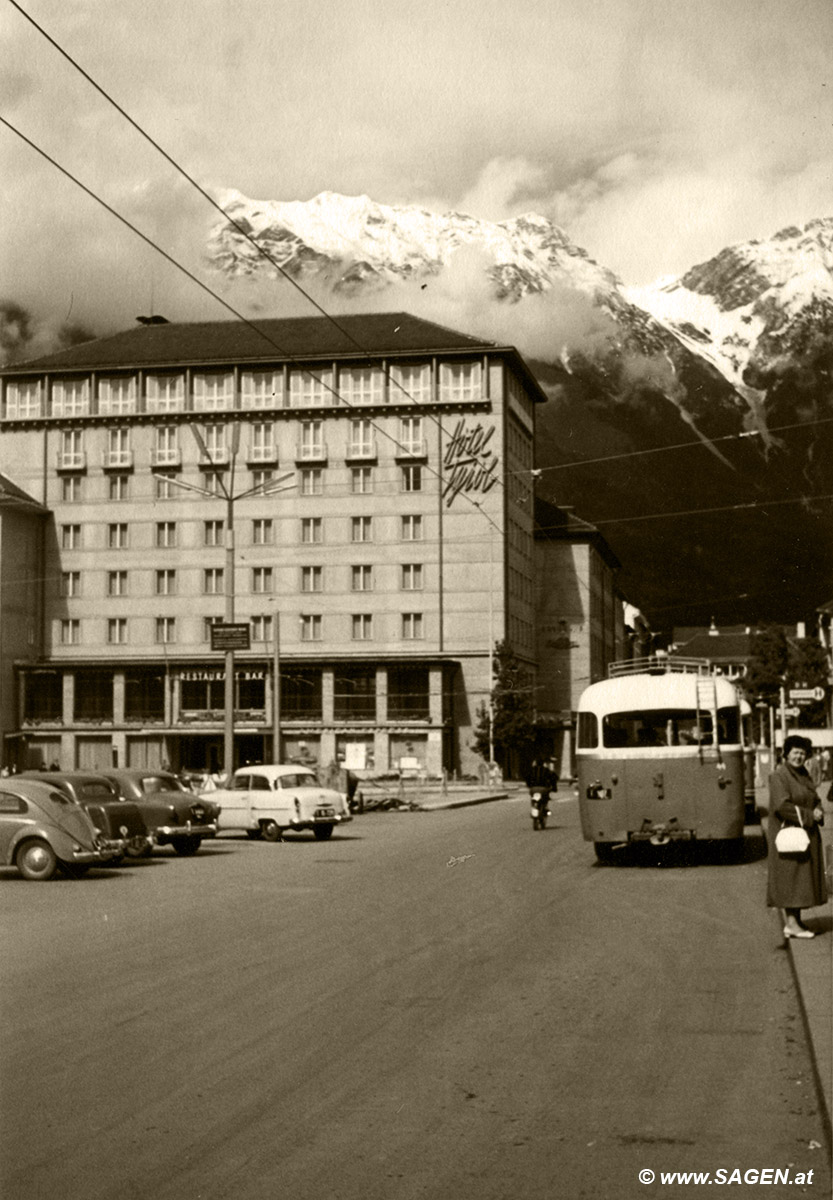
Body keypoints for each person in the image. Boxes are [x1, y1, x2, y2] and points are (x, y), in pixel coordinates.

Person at [766, 734, 827, 938]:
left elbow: (814, 797)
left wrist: (818, 808)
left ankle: (796, 922)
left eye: (802, 753)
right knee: (791, 878)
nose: (799, 757)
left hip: (804, 834)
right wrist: (811, 815)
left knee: (801, 879)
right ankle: (791, 924)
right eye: (795, 752)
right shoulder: (779, 776)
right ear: (786, 753)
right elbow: (782, 806)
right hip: (789, 834)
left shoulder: (803, 775)